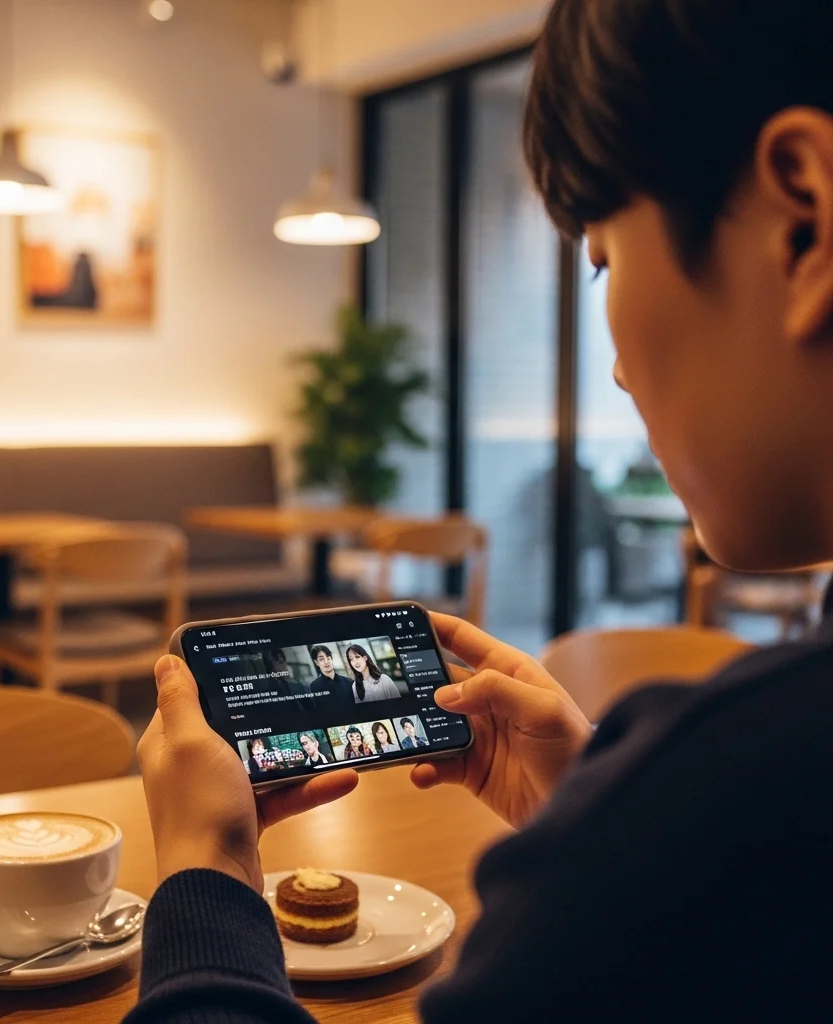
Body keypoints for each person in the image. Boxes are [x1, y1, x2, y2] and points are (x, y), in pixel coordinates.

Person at [125, 2, 833, 1019]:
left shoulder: (741, 803)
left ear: (801, 219)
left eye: (601, 261)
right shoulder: (717, 817)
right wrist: (601, 815)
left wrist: (204, 871)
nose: (621, 370)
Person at [307, 644, 356, 710]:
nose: (326, 662)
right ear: (316, 662)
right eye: (321, 659)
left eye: (328, 658)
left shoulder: (349, 682)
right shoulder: (314, 686)